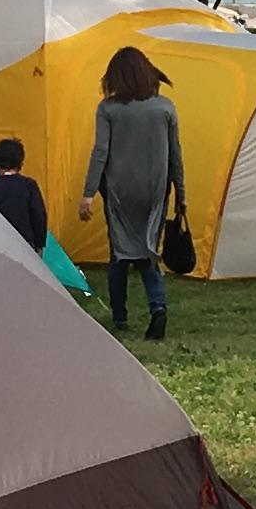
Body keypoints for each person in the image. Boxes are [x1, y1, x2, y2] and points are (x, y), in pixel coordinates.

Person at [83, 45, 187, 339]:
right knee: (148, 251)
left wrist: (88, 193)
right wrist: (181, 193)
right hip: (156, 190)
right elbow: (175, 154)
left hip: (118, 192)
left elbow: (101, 152)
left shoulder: (108, 109)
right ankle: (158, 308)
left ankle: (119, 316)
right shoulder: (165, 107)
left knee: (120, 252)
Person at [0, 136, 53, 254]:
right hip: (25, 245)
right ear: (21, 163)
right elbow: (38, 214)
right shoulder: (29, 185)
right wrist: (39, 244)